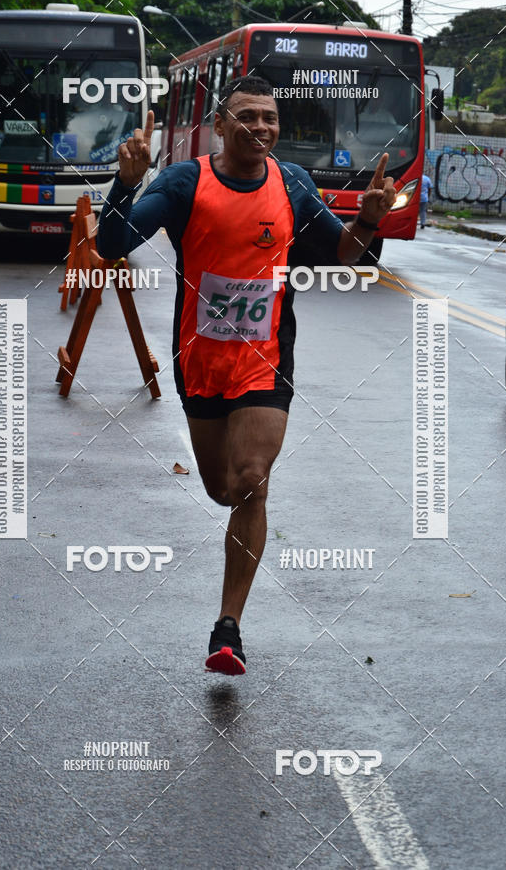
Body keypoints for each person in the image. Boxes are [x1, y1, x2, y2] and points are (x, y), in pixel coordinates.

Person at [98, 76, 396, 676]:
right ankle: (230, 546)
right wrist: (126, 185)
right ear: (220, 124)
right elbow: (111, 243)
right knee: (222, 489)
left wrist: (368, 221)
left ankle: (228, 627)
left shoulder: (292, 184)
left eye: (270, 117)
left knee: (253, 479)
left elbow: (346, 254)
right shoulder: (186, 182)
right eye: (248, 115)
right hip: (200, 359)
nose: (261, 126)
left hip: (265, 358)